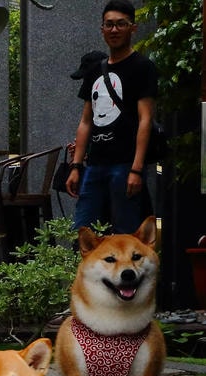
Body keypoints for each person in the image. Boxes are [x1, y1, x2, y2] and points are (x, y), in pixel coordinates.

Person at [64, 0, 156, 234]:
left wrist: (136, 169)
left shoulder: (142, 67)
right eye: (109, 25)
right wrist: (76, 166)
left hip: (125, 164)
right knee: (84, 233)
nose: (114, 30)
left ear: (132, 28)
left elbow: (145, 119)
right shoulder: (96, 69)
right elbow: (86, 120)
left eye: (121, 24)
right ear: (102, 29)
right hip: (95, 164)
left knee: (125, 234)